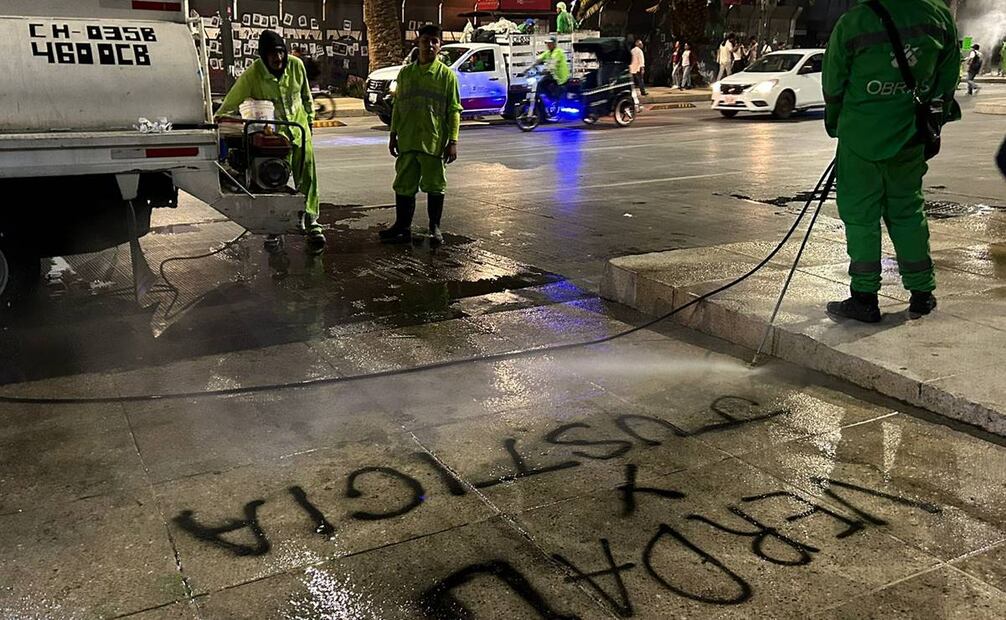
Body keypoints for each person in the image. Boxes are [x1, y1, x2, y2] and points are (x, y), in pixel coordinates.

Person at [822, 0, 961, 323]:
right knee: (907, 211)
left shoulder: (855, 21)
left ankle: (865, 298)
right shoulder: (938, 16)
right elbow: (947, 78)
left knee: (861, 217)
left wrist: (838, 125)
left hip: (861, 137)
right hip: (909, 135)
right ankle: (922, 293)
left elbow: (832, 85)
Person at [217, 31, 323, 252]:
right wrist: (220, 120)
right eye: (273, 54)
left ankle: (312, 223)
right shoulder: (253, 75)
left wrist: (310, 123)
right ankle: (274, 229)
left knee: (308, 177)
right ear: (263, 56)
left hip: (300, 131)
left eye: (281, 52)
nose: (279, 58)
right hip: (273, 139)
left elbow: (306, 97)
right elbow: (230, 103)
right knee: (273, 182)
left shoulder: (296, 66)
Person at [379, 24, 461, 246]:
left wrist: (452, 141)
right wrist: (393, 134)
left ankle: (434, 227)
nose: (430, 45)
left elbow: (454, 111)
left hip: (433, 142)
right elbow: (398, 107)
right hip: (407, 141)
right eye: (426, 41)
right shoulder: (405, 74)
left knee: (435, 185)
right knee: (404, 185)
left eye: (434, 41)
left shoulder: (446, 77)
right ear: (418, 43)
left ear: (440, 46)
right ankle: (402, 227)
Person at [536, 35, 570, 102]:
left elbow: (552, 64)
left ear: (554, 44)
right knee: (540, 84)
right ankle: (547, 102)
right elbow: (539, 59)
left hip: (560, 79)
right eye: (547, 43)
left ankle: (554, 104)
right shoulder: (548, 52)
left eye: (550, 43)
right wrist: (528, 68)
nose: (548, 45)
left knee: (557, 96)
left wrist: (543, 71)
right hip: (553, 76)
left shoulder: (558, 52)